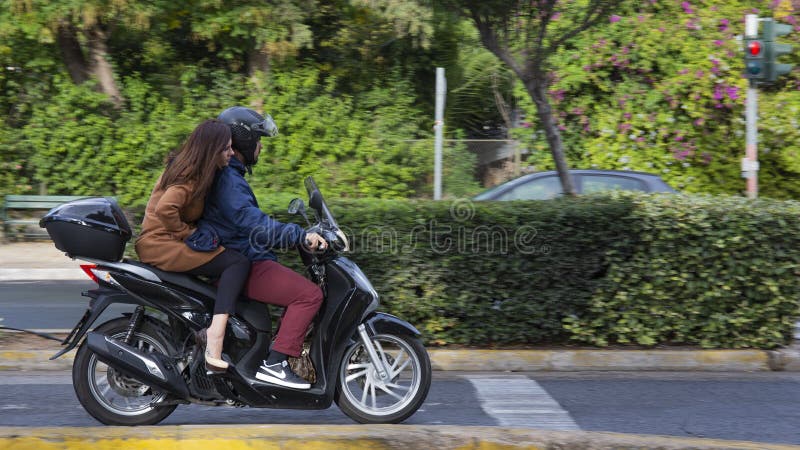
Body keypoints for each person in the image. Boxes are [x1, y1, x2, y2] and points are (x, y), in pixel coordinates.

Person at [201, 106, 326, 390]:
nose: (260, 146)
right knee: (309, 295)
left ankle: (272, 355)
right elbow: (252, 223)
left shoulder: (232, 175)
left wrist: (290, 236)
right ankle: (275, 364)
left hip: (243, 256)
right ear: (243, 140)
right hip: (242, 261)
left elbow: (249, 223)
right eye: (257, 139)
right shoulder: (230, 180)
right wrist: (298, 236)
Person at [135, 119, 250, 374]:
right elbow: (166, 209)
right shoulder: (190, 175)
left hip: (164, 242)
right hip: (161, 245)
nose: (231, 153)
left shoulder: (196, 170)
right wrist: (187, 233)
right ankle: (215, 339)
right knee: (237, 262)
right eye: (226, 148)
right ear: (211, 150)